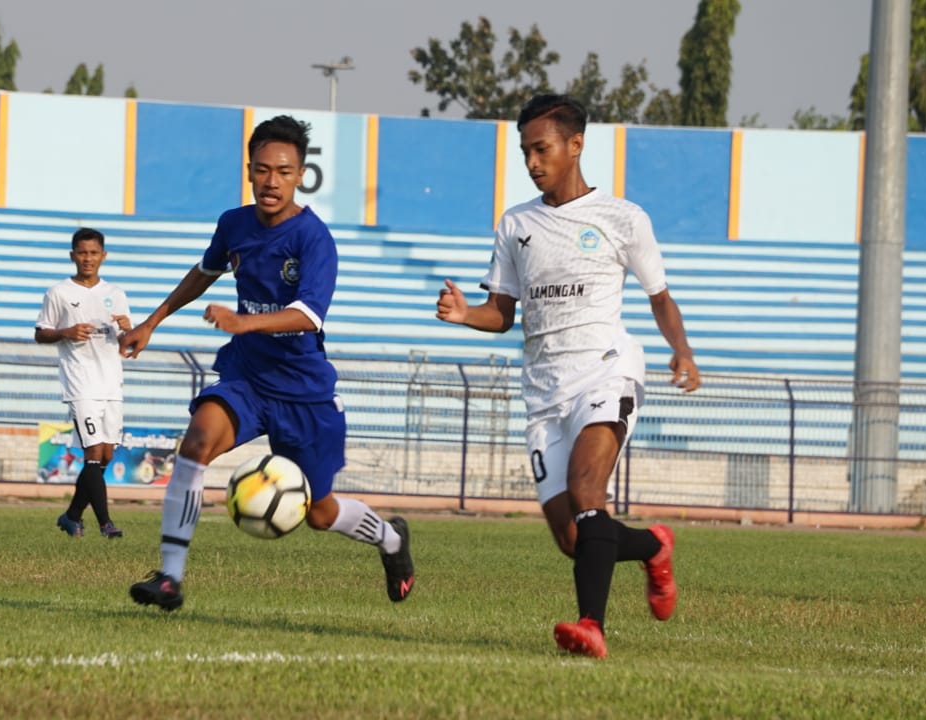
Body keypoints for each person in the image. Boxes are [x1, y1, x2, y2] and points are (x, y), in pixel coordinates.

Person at [435, 94, 701, 658]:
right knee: (575, 538)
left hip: (606, 373)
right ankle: (654, 545)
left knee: (587, 490)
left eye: (542, 148)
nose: (532, 161)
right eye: (526, 150)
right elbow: (502, 315)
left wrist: (682, 351)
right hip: (544, 393)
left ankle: (591, 627)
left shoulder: (623, 219)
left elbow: (661, 299)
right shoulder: (516, 224)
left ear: (575, 145)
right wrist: (465, 314)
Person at [120, 115, 414, 612]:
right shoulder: (233, 224)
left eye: (282, 171)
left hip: (304, 392)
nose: (271, 181)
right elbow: (205, 272)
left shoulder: (313, 239)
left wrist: (243, 322)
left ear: (300, 174)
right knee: (194, 445)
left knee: (320, 513)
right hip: (248, 377)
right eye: (261, 170)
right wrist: (152, 322)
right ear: (250, 170)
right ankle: (169, 578)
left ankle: (391, 540)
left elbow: (307, 315)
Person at [35, 227, 132, 540]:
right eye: (82, 252)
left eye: (93, 253)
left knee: (105, 455)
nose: (87, 259)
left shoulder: (116, 294)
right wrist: (65, 332)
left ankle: (72, 515)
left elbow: (128, 344)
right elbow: (41, 333)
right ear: (72, 255)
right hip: (80, 382)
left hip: (111, 383)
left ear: (103, 256)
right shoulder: (59, 293)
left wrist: (130, 331)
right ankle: (106, 523)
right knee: (92, 451)